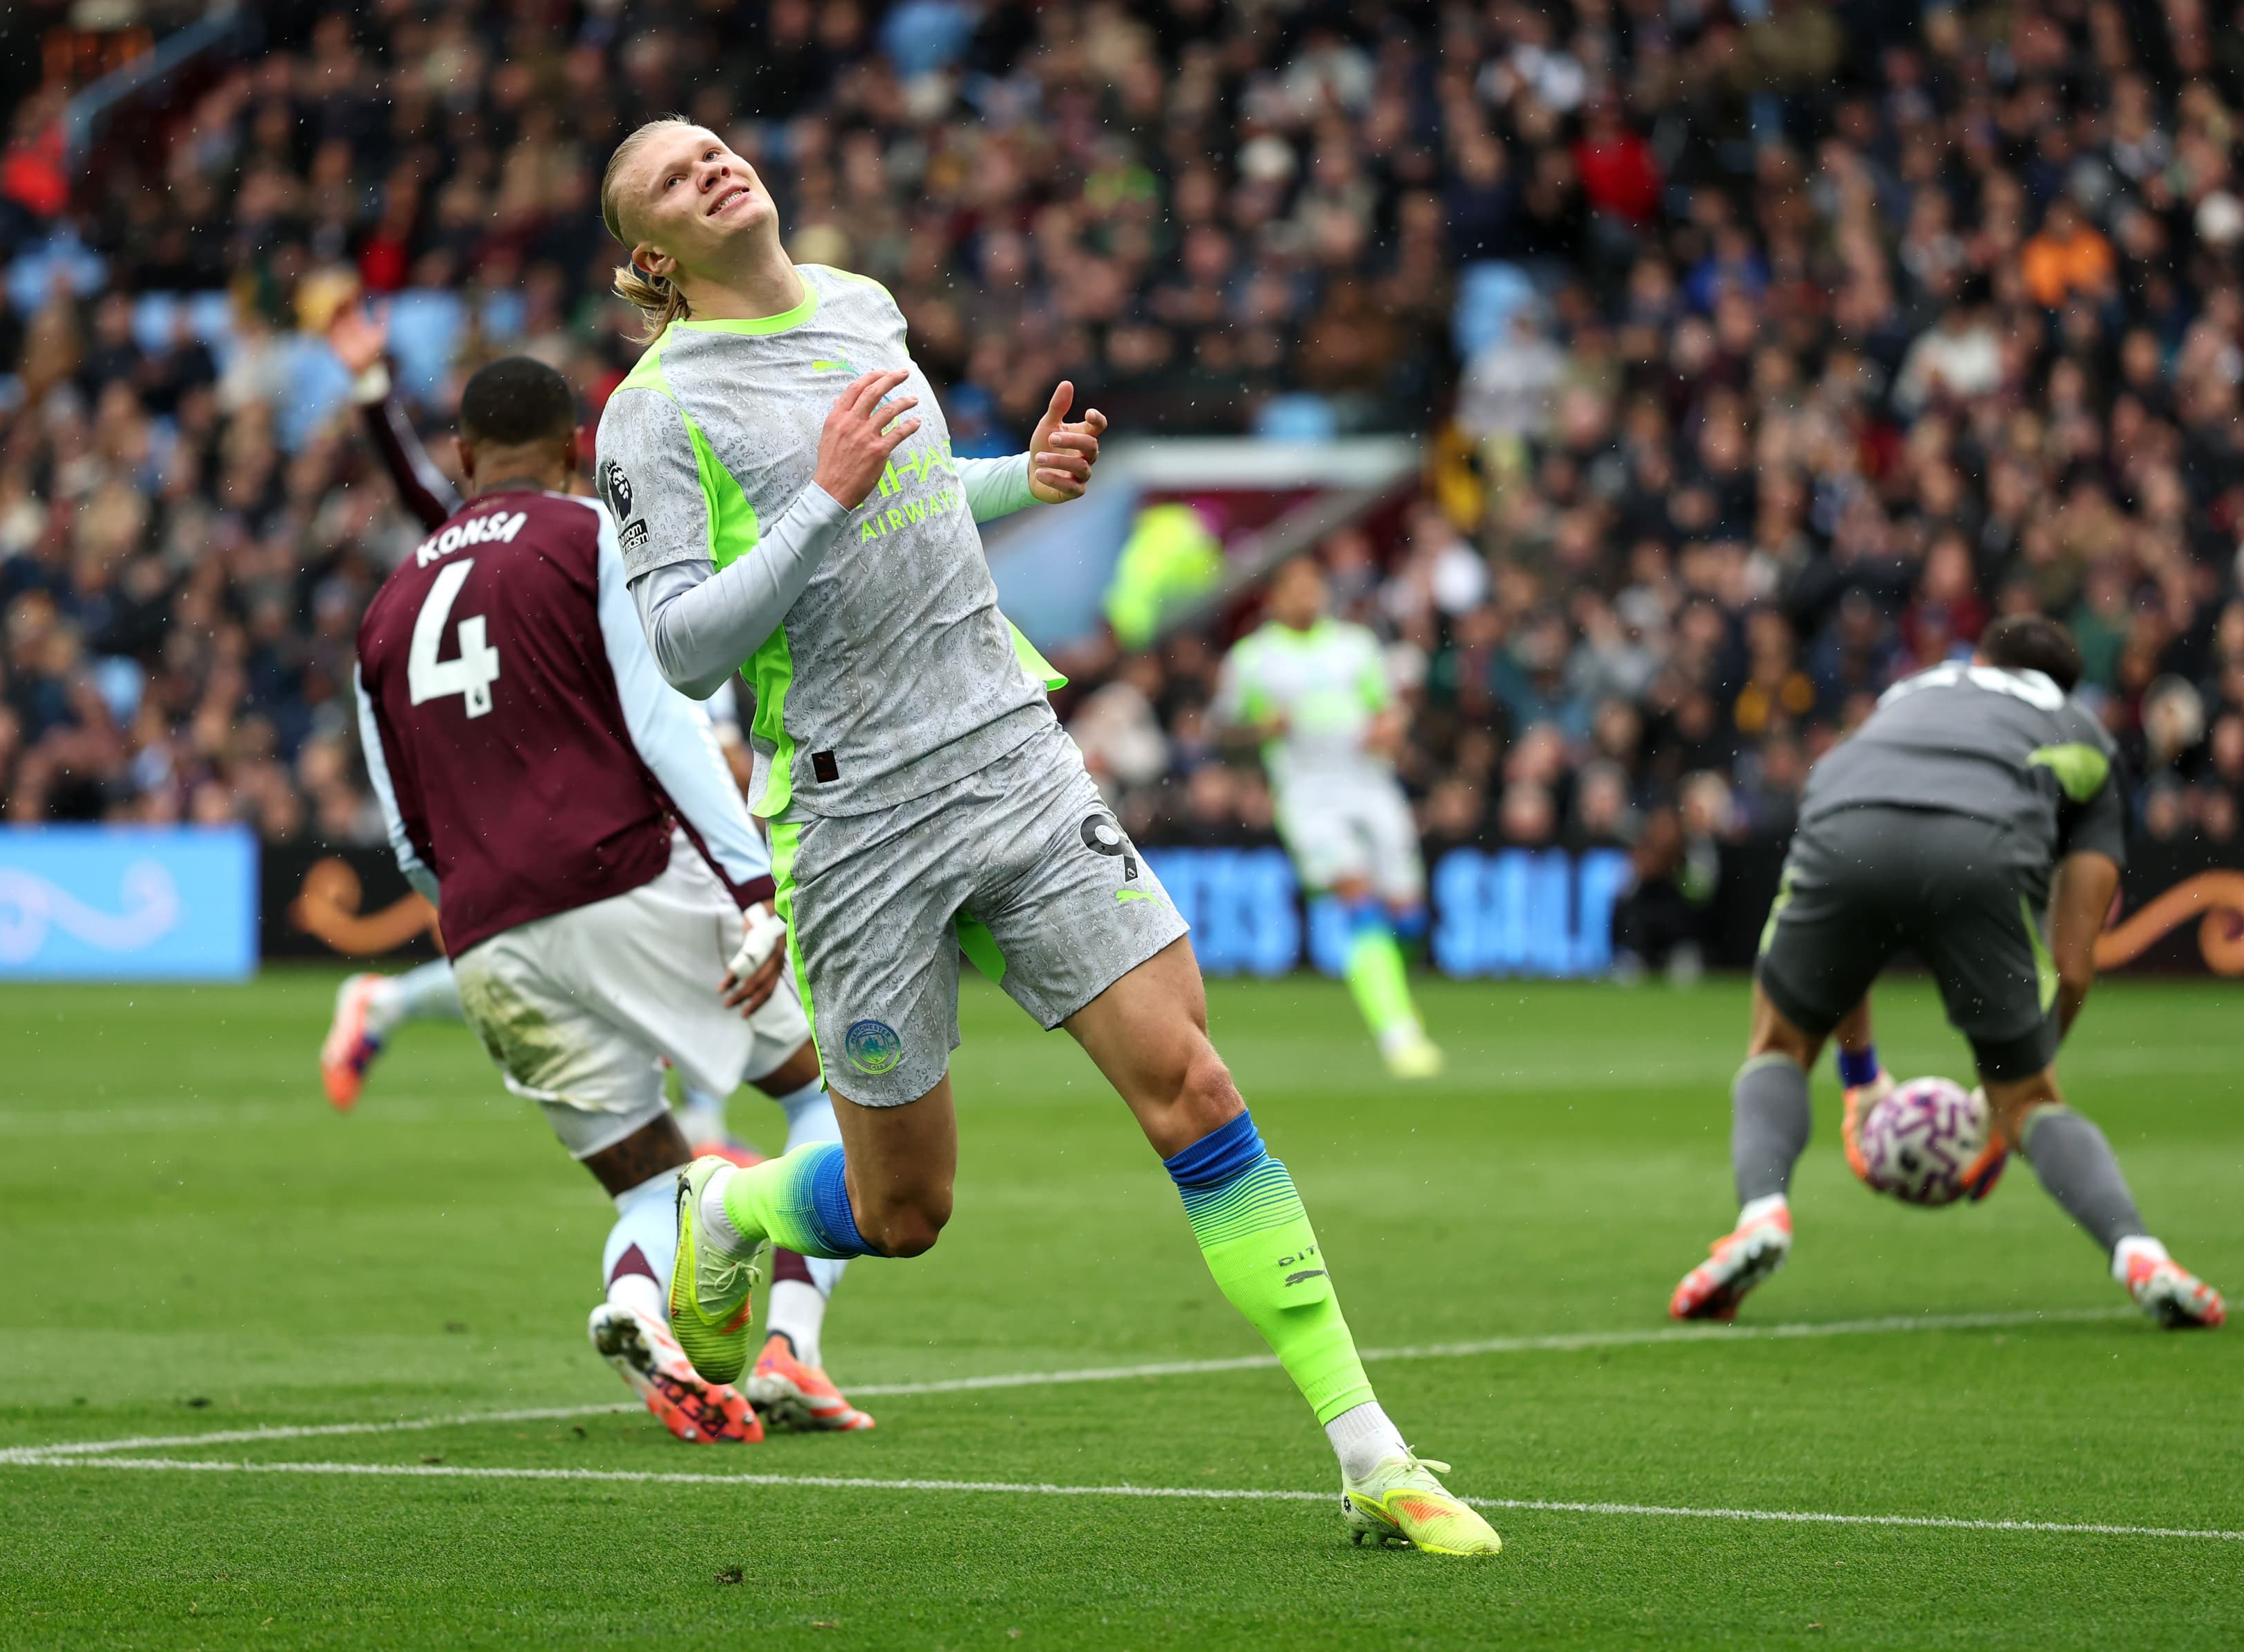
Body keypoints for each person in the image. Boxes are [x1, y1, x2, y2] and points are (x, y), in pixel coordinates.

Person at [593, 116, 1500, 1555]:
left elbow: (913, 497)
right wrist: (822, 490)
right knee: (906, 1211)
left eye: (715, 145)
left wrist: (1025, 476)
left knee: (1192, 1083)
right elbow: (689, 646)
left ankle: (1372, 1452)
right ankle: (739, 1202)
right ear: (653, 255)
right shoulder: (652, 410)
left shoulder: (859, 304)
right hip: (855, 811)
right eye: (673, 176)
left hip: (1011, 748)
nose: (714, 165)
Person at [353, 350, 875, 1443]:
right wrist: (751, 886)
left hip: (486, 935)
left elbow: (407, 836)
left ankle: (635, 1306)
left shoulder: (386, 608)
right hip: (625, 879)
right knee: (828, 1093)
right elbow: (661, 729)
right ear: (577, 450)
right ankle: (791, 1346)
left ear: (460, 456)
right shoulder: (588, 536)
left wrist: (480, 914)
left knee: (649, 1182)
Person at [1669, 616, 2224, 1330]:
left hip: (1844, 816)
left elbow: (1855, 946)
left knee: (1778, 1044)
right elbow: (2075, 963)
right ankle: (2140, 1254)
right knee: (2034, 1103)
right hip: (1979, 843)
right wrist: (2007, 1108)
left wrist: (1860, 1076)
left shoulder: (1913, 691)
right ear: (2061, 684)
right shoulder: (2079, 728)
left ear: (1981, 659)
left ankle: (1761, 1213)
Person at [316, 301, 762, 1168]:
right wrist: (373, 392)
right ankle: (715, 1139)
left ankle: (696, 1135)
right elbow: (438, 506)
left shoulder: (614, 523)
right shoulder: (582, 532)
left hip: (573, 792)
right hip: (590, 777)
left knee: (565, 938)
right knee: (700, 926)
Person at [1211, 555, 1443, 1078]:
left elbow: (1388, 710)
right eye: (1296, 588)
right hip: (1309, 795)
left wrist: (1391, 729)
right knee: (1359, 900)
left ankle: (1385, 983)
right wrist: (1259, 732)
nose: (1307, 597)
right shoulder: (1252, 660)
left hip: (1370, 784)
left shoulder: (1355, 646)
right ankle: (1400, 1035)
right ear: (1275, 598)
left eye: (1314, 587)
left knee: (1408, 915)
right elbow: (1221, 734)